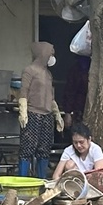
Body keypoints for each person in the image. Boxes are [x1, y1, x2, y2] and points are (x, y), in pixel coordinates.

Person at [18, 41, 64, 178]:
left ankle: (42, 179)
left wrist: (57, 115)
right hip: (32, 114)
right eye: (51, 53)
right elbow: (23, 92)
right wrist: (23, 112)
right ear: (43, 53)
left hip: (47, 115)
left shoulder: (48, 74)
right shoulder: (29, 70)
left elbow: (51, 97)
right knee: (27, 149)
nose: (52, 57)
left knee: (44, 149)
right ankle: (22, 180)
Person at [61, 55, 91, 130]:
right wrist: (68, 112)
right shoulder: (76, 70)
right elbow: (70, 91)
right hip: (79, 110)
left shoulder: (95, 68)